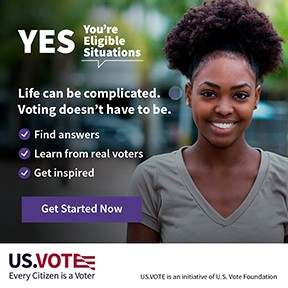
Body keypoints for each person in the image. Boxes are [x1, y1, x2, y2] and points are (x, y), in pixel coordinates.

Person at [127, 0, 288, 243]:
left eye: (240, 95)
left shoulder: (284, 178)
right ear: (189, 94)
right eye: (209, 93)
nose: (224, 108)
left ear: (256, 97)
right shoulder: (151, 178)